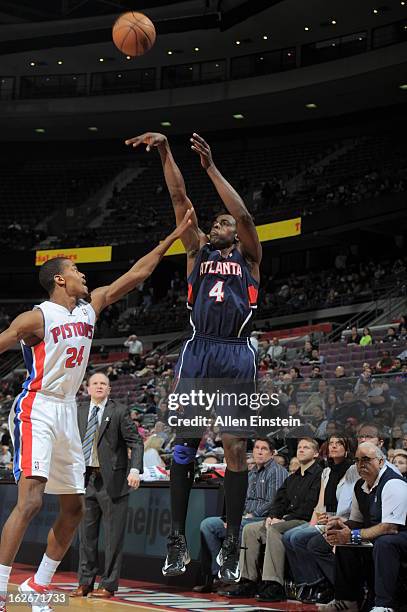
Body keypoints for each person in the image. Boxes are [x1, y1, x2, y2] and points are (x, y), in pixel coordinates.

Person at [0, 210, 192, 612]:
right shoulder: (36, 317)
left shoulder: (92, 306)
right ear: (59, 279)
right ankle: (0, 588)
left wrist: (174, 235)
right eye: (75, 270)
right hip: (37, 405)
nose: (83, 274)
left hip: (69, 410)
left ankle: (39, 584)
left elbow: (137, 274)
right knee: (32, 501)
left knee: (75, 508)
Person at [126, 131, 262, 582]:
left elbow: (242, 212)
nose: (223, 224)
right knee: (183, 446)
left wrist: (211, 168)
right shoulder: (196, 252)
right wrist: (166, 151)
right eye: (217, 223)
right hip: (199, 350)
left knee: (235, 448)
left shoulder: (250, 258)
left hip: (236, 354)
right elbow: (179, 196)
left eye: (226, 224)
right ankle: (176, 538)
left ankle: (233, 538)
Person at [219, 438, 322, 601]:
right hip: (284, 519)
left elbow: (310, 505)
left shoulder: (319, 475)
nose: (301, 450)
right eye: (300, 447)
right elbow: (278, 500)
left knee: (274, 530)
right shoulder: (293, 477)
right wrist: (272, 516)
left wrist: (282, 519)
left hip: (303, 520)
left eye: (306, 447)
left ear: (316, 453)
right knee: (250, 529)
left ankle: (273, 584)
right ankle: (248, 581)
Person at [70, 372, 143, 599]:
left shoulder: (118, 411)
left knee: (113, 537)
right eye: (95, 383)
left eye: (104, 383)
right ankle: (85, 582)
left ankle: (108, 585)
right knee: (86, 537)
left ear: (109, 389)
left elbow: (136, 442)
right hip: (86, 481)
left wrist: (134, 470)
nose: (99, 386)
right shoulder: (79, 411)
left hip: (113, 483)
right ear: (87, 388)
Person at [318, 443, 407, 612]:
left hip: (400, 535)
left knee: (385, 543)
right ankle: (347, 600)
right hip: (380, 534)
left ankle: (384, 605)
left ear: (381, 462)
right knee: (343, 542)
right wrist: (341, 525)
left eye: (366, 459)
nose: (360, 464)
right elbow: (357, 521)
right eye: (357, 460)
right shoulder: (360, 486)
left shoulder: (393, 483)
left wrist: (352, 535)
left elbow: (390, 527)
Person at [194, 438, 288, 593]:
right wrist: (232, 518)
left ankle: (239, 577)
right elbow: (240, 501)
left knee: (244, 527)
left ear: (272, 453)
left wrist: (248, 516)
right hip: (244, 518)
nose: (259, 451)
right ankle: (220, 575)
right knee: (208, 525)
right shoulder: (251, 474)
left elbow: (273, 502)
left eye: (264, 448)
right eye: (257, 448)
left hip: (263, 519)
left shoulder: (277, 471)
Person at [283, 435, 355, 605]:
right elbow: (320, 504)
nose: (334, 447)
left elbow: (350, 505)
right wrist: (314, 523)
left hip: (343, 520)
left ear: (347, 448)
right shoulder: (327, 471)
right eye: (331, 443)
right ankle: (308, 583)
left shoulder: (353, 470)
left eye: (339, 443)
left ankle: (324, 584)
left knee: (301, 539)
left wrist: (334, 522)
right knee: (289, 536)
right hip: (326, 518)